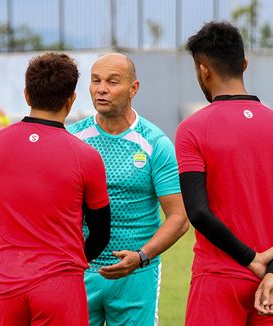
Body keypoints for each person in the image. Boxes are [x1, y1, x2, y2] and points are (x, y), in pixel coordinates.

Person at [176, 21, 273, 325]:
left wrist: (251, 259)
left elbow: (198, 211)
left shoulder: (192, 129)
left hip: (218, 280)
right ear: (244, 64)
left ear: (203, 70)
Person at [0, 52, 111, 326]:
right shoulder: (86, 156)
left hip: (6, 285)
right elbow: (101, 234)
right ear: (72, 99)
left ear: (27, 94)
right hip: (60, 285)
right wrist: (72, 260)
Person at [68, 53, 189, 326]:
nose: (101, 89)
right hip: (79, 272)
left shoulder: (155, 143)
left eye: (112, 82)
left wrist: (141, 257)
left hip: (136, 276)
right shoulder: (73, 139)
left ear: (134, 88)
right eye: (95, 81)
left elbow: (179, 219)